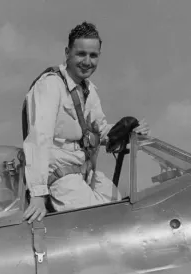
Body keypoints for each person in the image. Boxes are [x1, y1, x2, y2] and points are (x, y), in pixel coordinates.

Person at [22, 21, 149, 224]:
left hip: (86, 173)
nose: (87, 61)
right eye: (81, 54)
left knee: (124, 210)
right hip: (61, 178)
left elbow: (100, 130)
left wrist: (129, 131)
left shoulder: (88, 90)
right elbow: (39, 139)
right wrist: (38, 194)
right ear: (67, 53)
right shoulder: (50, 85)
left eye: (93, 55)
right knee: (102, 224)